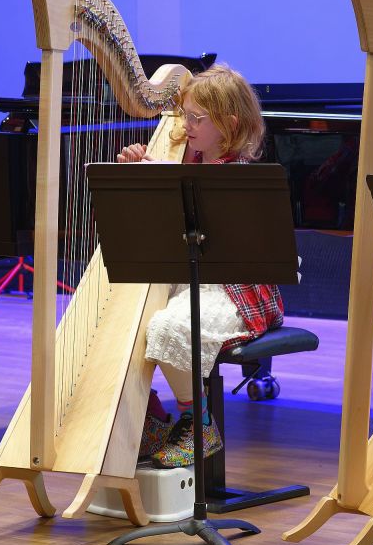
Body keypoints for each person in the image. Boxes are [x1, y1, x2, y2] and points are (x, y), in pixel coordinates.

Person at [118, 64, 284, 468]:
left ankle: (198, 423)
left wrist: (160, 176)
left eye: (196, 118)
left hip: (237, 293)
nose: (186, 125)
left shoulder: (235, 177)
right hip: (192, 280)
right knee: (130, 328)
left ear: (228, 124)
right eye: (185, 116)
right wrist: (140, 172)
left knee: (168, 327)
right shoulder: (192, 164)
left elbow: (203, 210)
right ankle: (152, 416)